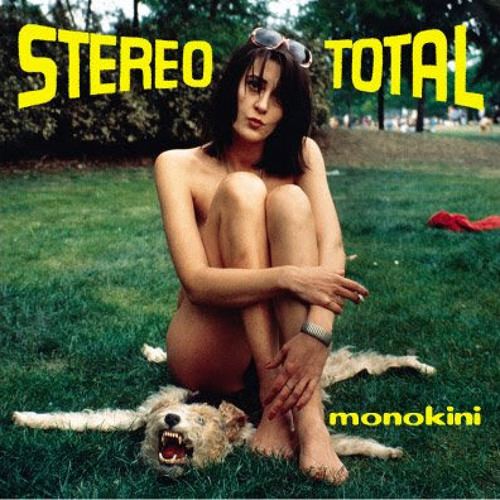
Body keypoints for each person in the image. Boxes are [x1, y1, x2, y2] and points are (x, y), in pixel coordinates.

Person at [154, 27, 369, 485]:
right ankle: (274, 402)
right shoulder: (176, 165)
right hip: (207, 345)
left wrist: (316, 336)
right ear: (234, 83)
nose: (262, 105)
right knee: (242, 191)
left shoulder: (303, 155)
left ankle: (309, 423)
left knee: (290, 202)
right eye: (254, 85)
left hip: (280, 340)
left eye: (279, 98)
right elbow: (196, 282)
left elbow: (331, 249)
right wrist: (287, 277)